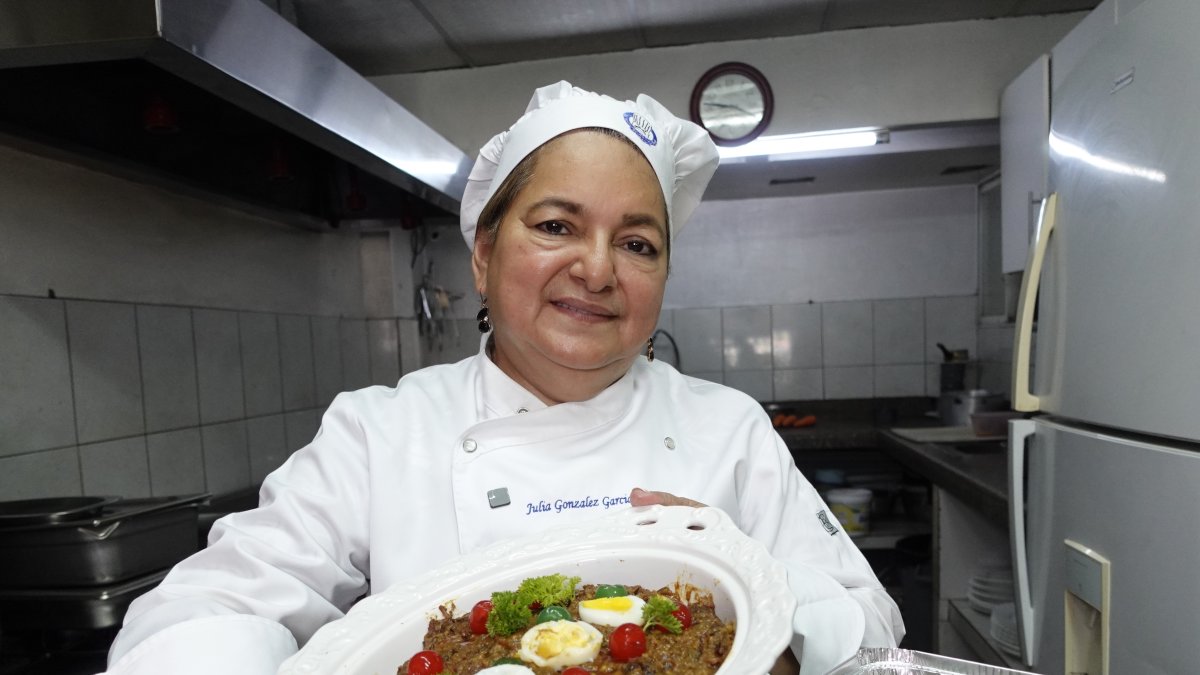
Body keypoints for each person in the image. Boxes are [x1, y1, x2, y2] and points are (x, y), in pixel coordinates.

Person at [103, 81, 902, 675]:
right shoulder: (383, 431)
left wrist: (753, 587)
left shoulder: (727, 428)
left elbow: (872, 630)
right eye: (556, 226)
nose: (596, 268)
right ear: (483, 255)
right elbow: (209, 608)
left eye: (638, 243)